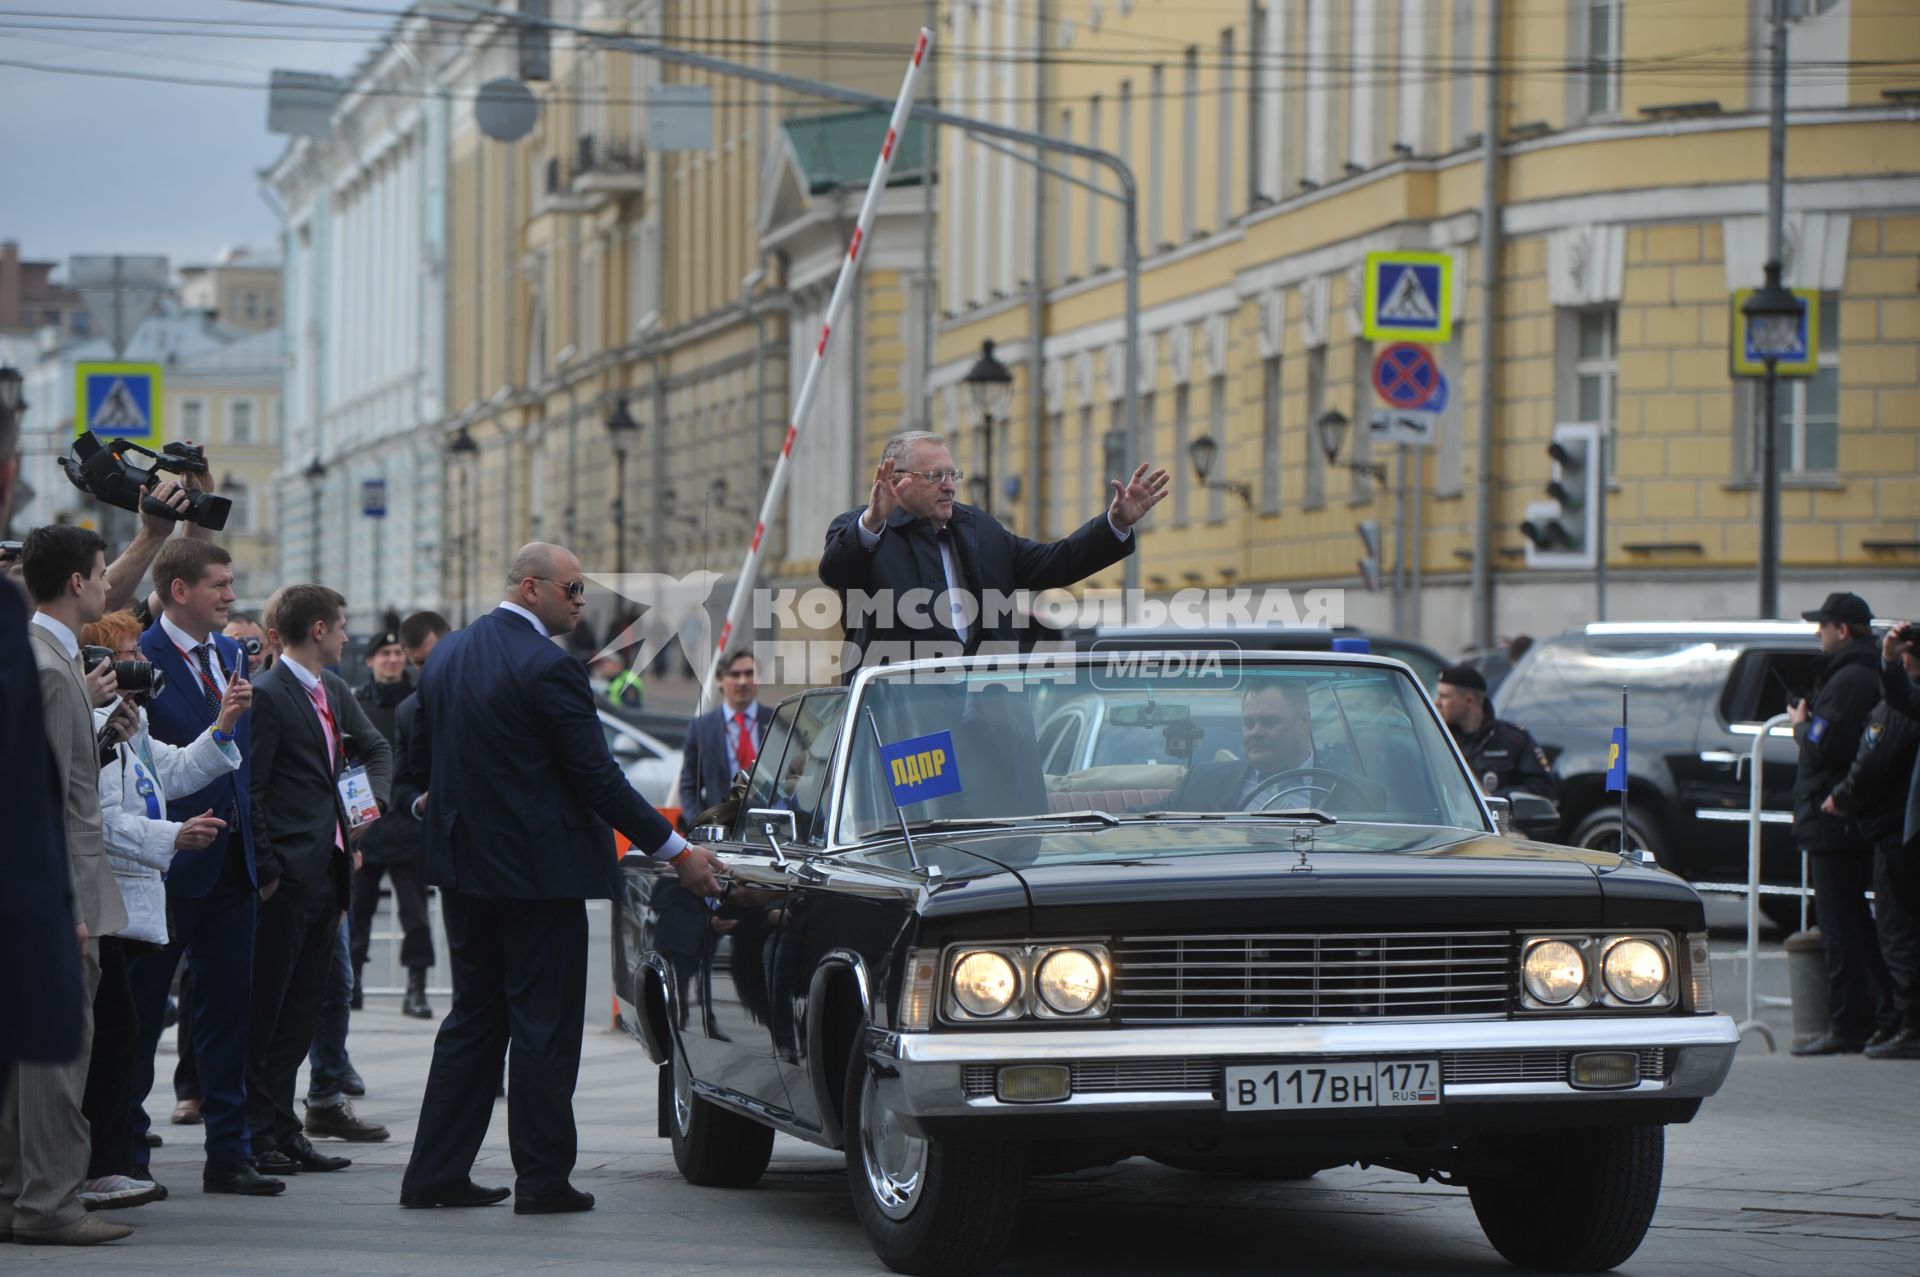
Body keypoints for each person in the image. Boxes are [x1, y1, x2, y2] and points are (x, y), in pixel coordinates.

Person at [399, 543, 724, 1214]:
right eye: (572, 588)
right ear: (530, 587)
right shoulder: (550, 666)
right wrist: (676, 850)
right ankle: (543, 1178)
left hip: (464, 873)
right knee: (543, 1026)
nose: (581, 600)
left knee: (473, 1019)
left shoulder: (448, 655)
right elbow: (597, 776)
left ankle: (434, 1172)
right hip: (537, 878)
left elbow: (421, 770)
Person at [80, 609, 248, 1208]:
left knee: (122, 1038)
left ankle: (112, 1164)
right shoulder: (93, 723)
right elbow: (95, 819)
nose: (141, 662)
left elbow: (170, 771)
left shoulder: (131, 719)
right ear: (100, 663)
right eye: (129, 651)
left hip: (135, 907)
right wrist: (171, 839)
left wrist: (223, 727)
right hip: (110, 905)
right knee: (116, 1039)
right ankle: (104, 1166)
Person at [133, 540, 280, 1197]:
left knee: (229, 1012)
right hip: (166, 865)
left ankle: (230, 1152)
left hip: (233, 868)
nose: (230, 593)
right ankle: (124, 1153)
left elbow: (244, 766)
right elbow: (144, 768)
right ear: (180, 590)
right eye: (218, 584)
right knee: (139, 1017)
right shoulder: (140, 657)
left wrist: (260, 853)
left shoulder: (230, 654)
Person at [7, 525, 133, 1246]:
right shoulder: (53, 669)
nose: (108, 582)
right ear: (79, 583)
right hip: (65, 897)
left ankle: (14, 1194)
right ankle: (50, 1202)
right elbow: (45, 801)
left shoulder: (40, 656)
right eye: (100, 571)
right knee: (56, 1062)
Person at [247, 584, 393, 1173]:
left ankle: (285, 1131)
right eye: (340, 626)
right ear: (316, 631)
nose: (347, 637)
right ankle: (255, 1134)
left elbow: (374, 751)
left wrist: (364, 815)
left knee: (306, 1007)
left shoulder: (328, 689)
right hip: (287, 881)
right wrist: (269, 872)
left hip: (328, 875)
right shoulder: (268, 695)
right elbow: (251, 793)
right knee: (269, 1012)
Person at [818, 431, 1166, 671]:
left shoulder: (978, 528)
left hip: (986, 710)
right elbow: (836, 571)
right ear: (896, 480)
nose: (950, 486)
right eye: (936, 476)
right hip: (900, 716)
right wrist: (873, 521)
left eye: (953, 474)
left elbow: (1052, 564)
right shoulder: (860, 530)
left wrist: (1115, 524)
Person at [0, 403, 86, 1172]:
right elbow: (42, 803)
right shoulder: (37, 656)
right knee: (50, 1080)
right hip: (34, 907)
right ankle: (45, 1198)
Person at [1788, 592, 1898, 1056]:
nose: (1820, 636)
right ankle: (1879, 1015)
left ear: (1843, 630)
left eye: (1823, 627)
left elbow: (1825, 746)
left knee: (1840, 924)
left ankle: (1849, 1023)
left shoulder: (1850, 678)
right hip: (1842, 818)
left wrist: (1801, 726)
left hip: (1833, 819)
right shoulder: (1860, 672)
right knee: (1856, 921)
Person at [1823, 629, 1920, 1061]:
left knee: (1898, 929)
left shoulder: (1900, 702)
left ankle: (1911, 1025)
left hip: (1898, 833)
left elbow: (1873, 760)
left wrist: (1843, 797)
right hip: (1898, 827)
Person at [350, 628, 436, 1018]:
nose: (392, 658)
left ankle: (416, 989)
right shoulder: (355, 702)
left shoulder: (420, 701)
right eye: (383, 653)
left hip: (408, 823)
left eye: (398, 652)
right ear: (370, 661)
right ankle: (352, 985)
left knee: (416, 916)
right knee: (357, 910)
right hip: (366, 824)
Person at [1167, 682, 1358, 811]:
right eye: (1249, 723)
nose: (1255, 732)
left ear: (1302, 721)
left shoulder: (1356, 794)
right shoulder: (1202, 782)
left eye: (1269, 722)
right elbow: (1142, 821)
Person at [1433, 664, 1559, 803]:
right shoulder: (1435, 738)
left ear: (1469, 700)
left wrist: (1497, 799)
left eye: (1444, 696)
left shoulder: (1514, 741)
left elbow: (1544, 790)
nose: (1436, 702)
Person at [679, 649, 772, 823]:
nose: (743, 681)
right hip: (722, 828)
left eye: (749, 673)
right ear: (719, 680)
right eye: (735, 674)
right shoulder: (702, 727)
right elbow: (688, 786)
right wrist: (701, 824)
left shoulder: (777, 722)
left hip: (770, 826)